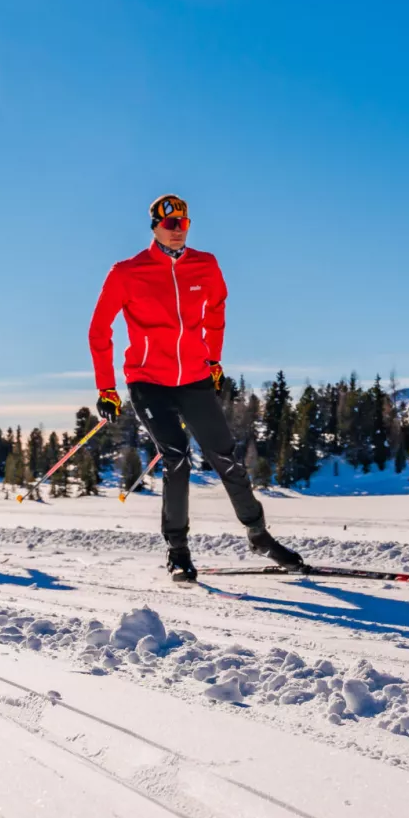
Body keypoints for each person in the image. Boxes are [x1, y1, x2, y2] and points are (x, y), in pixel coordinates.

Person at [89, 193, 302, 581]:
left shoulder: (205, 265)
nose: (177, 232)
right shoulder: (126, 272)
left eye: (183, 225)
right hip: (148, 381)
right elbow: (99, 329)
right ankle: (178, 551)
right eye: (170, 225)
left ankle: (258, 535)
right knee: (177, 459)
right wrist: (107, 388)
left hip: (194, 378)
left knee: (226, 458)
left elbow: (217, 310)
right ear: (154, 226)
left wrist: (214, 361)